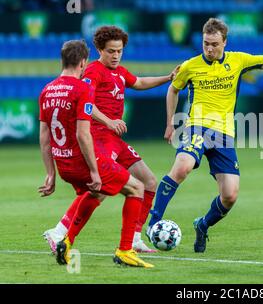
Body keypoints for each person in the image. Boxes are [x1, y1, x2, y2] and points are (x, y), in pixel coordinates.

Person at [146, 18, 263, 253]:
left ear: (225, 43)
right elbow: (173, 89)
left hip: (224, 134)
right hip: (196, 126)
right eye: (205, 43)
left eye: (214, 44)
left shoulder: (238, 60)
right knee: (182, 167)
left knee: (230, 195)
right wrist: (170, 122)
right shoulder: (190, 65)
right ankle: (152, 224)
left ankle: (202, 224)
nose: (209, 49)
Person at [42, 26, 179, 254]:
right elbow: (86, 104)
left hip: (114, 139)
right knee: (101, 189)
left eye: (119, 51)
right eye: (111, 51)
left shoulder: (120, 72)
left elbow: (139, 83)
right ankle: (60, 231)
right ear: (99, 50)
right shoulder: (93, 71)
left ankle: (135, 237)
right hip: (99, 136)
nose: (116, 55)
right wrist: (108, 121)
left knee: (149, 182)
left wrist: (168, 77)